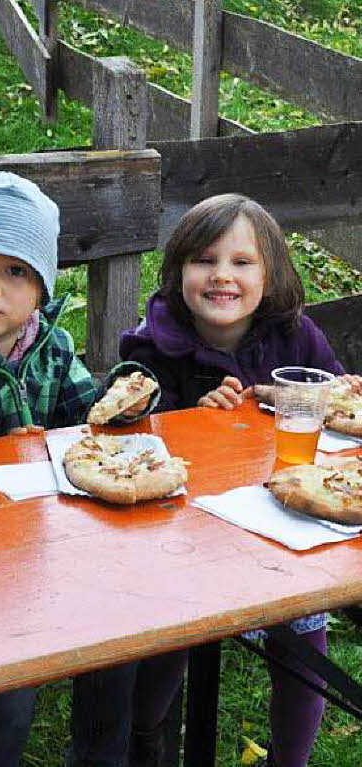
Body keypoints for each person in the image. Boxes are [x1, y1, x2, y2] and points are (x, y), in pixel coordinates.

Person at [0, 169, 156, 767]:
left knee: (115, 645)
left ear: (40, 289)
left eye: (15, 272)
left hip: (53, 544)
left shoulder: (52, 348)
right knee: (10, 687)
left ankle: (101, 756)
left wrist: (124, 400)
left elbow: (83, 426)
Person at [120, 193, 360, 767]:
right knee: (168, 638)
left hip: (281, 527)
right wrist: (192, 414)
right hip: (182, 537)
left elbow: (331, 401)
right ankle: (145, 738)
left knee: (305, 634)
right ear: (178, 269)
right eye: (204, 260)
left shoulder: (296, 339)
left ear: (270, 274)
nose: (222, 276)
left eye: (242, 262)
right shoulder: (152, 345)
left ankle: (290, 759)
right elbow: (132, 430)